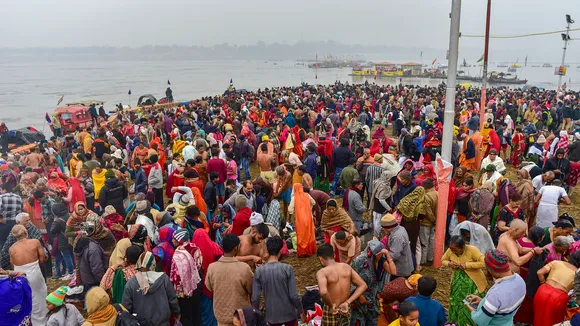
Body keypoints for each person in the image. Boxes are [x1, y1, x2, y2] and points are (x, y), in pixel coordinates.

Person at [251, 236, 304, 325]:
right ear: (280, 251)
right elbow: (294, 295)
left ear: (267, 250)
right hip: (289, 315)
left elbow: (255, 298)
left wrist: (256, 313)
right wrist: (301, 310)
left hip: (271, 316)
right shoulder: (287, 269)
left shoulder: (259, 271)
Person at [465, 249, 526, 326]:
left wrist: (473, 312)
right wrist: (483, 301)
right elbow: (503, 306)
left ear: (492, 269)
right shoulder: (520, 281)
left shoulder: (496, 294)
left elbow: (481, 321)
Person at [205, 234, 254, 326]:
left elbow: (209, 287)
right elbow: (252, 289)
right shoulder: (244, 268)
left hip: (221, 315)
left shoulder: (212, 267)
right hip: (240, 316)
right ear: (236, 248)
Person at [122, 251, 181, 325]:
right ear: (153, 264)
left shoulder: (131, 283)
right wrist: (177, 314)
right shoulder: (164, 279)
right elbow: (172, 300)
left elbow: (126, 308)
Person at [316, 244, 368, 326]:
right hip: (345, 308)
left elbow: (323, 292)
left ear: (321, 259)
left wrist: (330, 306)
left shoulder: (322, 272)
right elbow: (363, 285)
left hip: (332, 308)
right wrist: (347, 302)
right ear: (334, 255)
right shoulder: (346, 267)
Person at [442, 235, 487, 326]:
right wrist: (449, 264)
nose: (453, 251)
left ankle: (469, 323)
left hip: (473, 283)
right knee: (456, 302)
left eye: (455, 250)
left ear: (463, 247)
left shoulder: (472, 250)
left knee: (469, 303)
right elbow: (443, 260)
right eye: (451, 249)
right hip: (457, 282)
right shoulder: (450, 250)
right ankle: (455, 322)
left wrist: (467, 265)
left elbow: (484, 263)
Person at [351, 240, 397, 326]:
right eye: (377, 253)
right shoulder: (359, 261)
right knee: (360, 319)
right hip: (361, 295)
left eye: (380, 252)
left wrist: (387, 255)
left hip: (374, 296)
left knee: (373, 319)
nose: (379, 255)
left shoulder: (381, 261)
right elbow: (350, 279)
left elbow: (393, 272)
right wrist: (359, 296)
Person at [9, 224, 48, 325]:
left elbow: (13, 267)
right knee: (40, 296)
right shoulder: (35, 242)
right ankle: (42, 321)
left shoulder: (12, 249)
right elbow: (43, 259)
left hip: (20, 277)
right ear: (25, 232)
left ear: (14, 236)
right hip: (34, 273)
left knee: (26, 298)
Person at [534, 251, 580, 326]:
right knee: (553, 320)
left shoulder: (557, 262)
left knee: (538, 315)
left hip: (543, 291)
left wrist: (543, 283)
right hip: (559, 297)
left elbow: (539, 272)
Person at [192, 228, 224, 326]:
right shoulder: (214, 247)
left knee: (202, 310)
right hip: (213, 284)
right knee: (212, 310)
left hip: (198, 286)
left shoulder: (193, 250)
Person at [380, 214, 414, 278]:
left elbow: (394, 255)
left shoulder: (397, 237)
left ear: (387, 228)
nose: (383, 229)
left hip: (401, 270)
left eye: (383, 228)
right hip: (404, 264)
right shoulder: (400, 228)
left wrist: (381, 255)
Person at [289, 183, 317, 257]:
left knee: (301, 236)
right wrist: (308, 207)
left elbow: (290, 210)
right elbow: (313, 202)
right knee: (309, 234)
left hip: (300, 219)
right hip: (309, 217)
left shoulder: (294, 198)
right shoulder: (307, 195)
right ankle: (310, 250)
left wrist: (295, 211)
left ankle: (303, 252)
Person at [419, 178, 437, 266]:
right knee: (432, 241)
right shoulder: (438, 193)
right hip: (435, 222)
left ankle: (423, 260)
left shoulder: (426, 196)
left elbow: (428, 211)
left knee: (424, 242)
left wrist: (433, 220)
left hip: (426, 223)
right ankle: (431, 258)